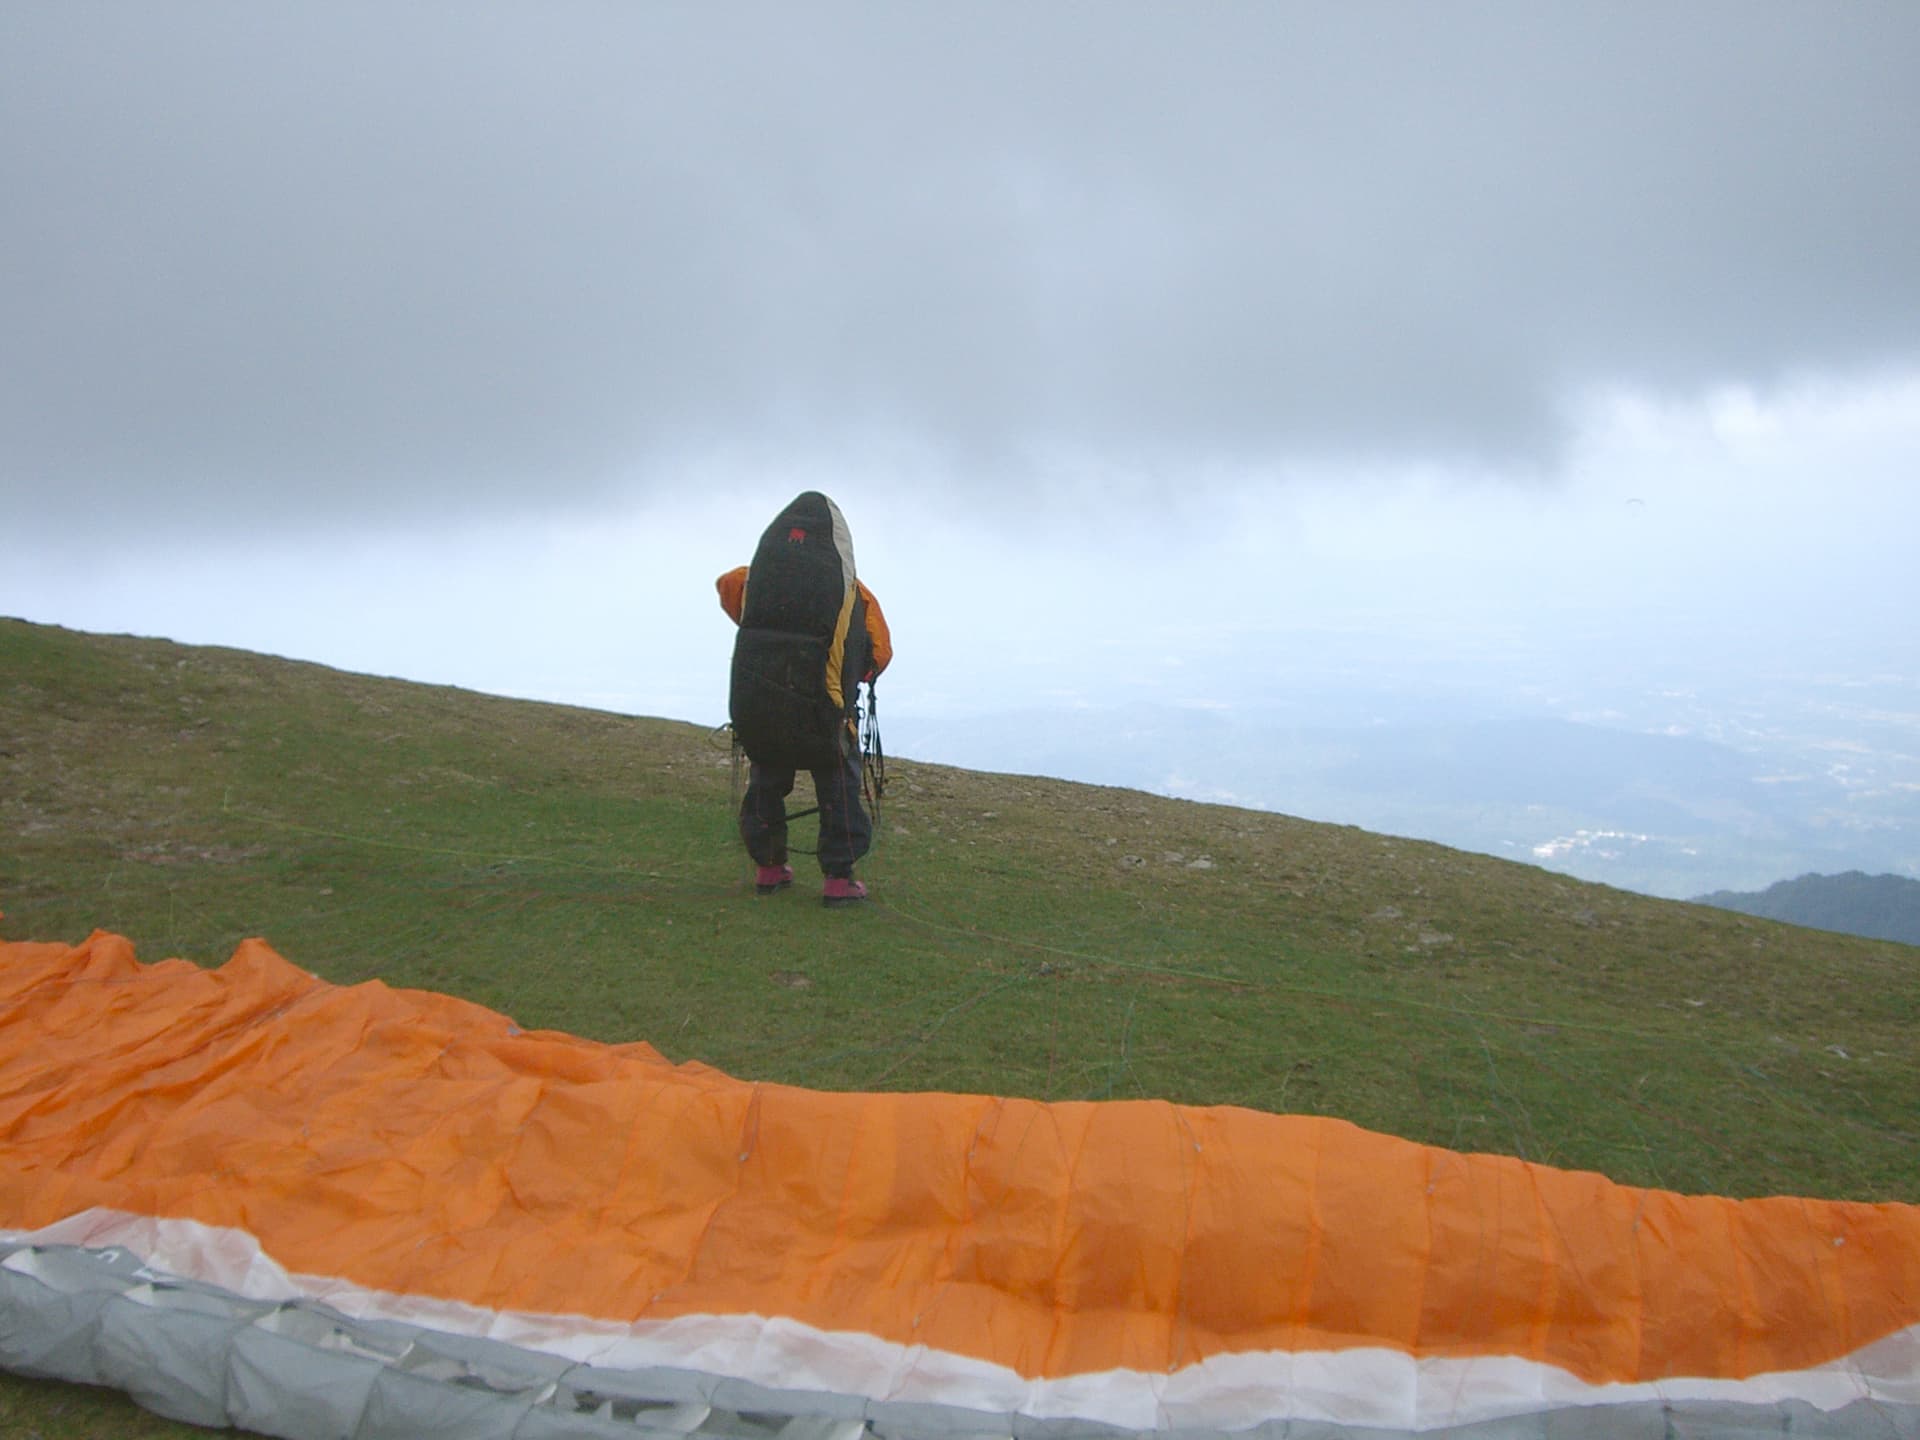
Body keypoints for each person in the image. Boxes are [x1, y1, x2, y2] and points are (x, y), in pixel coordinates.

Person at [717, 492, 892, 906]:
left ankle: (769, 868)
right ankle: (838, 878)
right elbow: (880, 653)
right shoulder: (855, 593)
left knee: (767, 777)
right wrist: (858, 672)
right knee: (838, 781)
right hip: (822, 712)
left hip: (762, 706)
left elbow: (728, 587)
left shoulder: (757, 575)